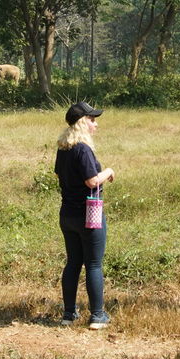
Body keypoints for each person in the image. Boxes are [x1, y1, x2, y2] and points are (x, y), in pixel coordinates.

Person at [54, 101, 115, 330]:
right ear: (82, 122)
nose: (95, 124)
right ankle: (97, 316)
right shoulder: (83, 149)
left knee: (73, 263)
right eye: (92, 119)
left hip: (67, 214)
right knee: (93, 264)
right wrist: (107, 172)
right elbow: (91, 181)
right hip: (89, 214)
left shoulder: (63, 148)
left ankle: (68, 314)